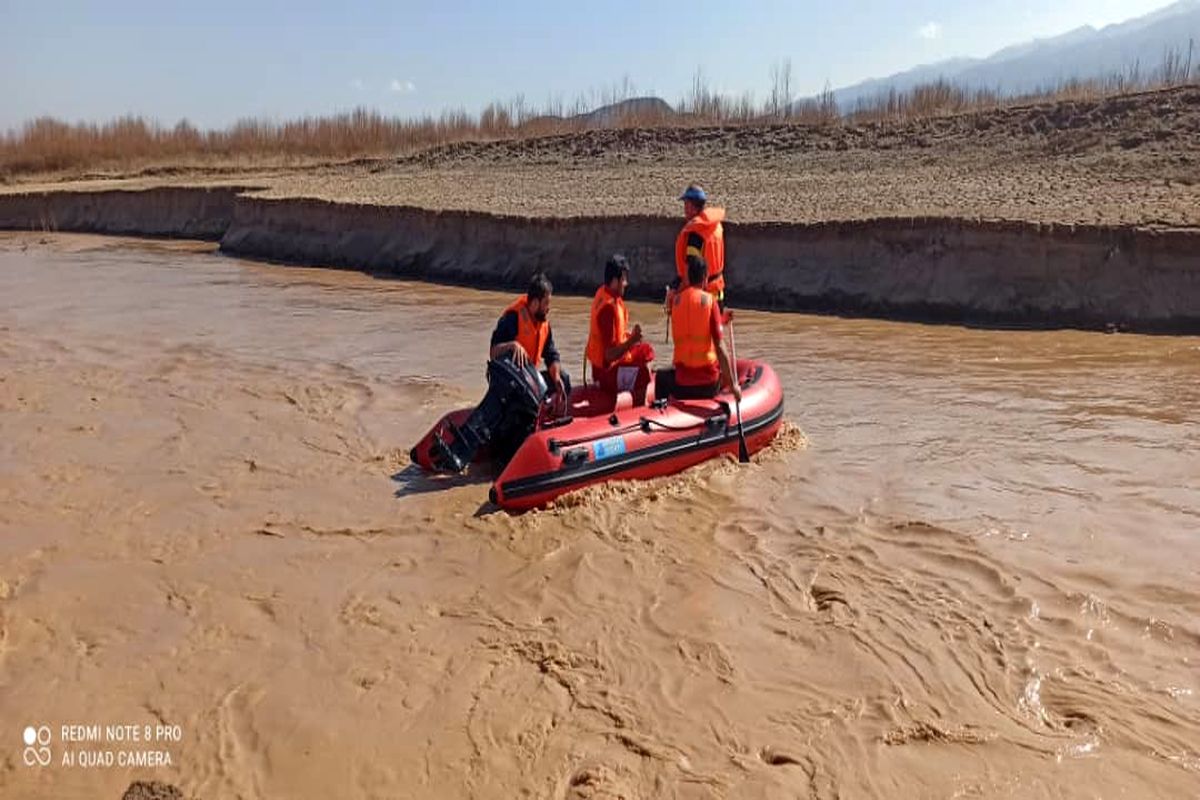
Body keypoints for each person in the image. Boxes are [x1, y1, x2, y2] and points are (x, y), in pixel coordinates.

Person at [657, 255, 741, 402]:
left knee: (661, 377)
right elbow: (720, 347)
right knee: (721, 376)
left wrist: (721, 320)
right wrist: (734, 385)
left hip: (681, 385)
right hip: (707, 385)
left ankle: (661, 414)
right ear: (706, 277)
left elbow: (692, 327)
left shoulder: (676, 303)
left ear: (688, 277)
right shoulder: (710, 302)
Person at [490, 271, 569, 408]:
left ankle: (549, 411)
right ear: (534, 303)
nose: (548, 308)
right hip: (510, 383)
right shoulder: (512, 318)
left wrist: (556, 377)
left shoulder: (544, 325)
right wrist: (512, 345)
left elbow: (551, 355)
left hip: (530, 379)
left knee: (564, 379)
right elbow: (493, 352)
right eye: (546, 304)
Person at [586, 255, 654, 405]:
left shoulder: (605, 294)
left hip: (607, 367)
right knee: (643, 372)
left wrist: (632, 339)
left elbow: (615, 337)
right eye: (623, 279)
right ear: (615, 281)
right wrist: (632, 341)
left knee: (647, 350)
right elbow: (609, 356)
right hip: (605, 374)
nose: (626, 283)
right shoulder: (608, 309)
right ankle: (639, 410)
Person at [670, 184, 726, 307]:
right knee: (717, 325)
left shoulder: (695, 235)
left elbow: (691, 272)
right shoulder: (716, 226)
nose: (684, 209)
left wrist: (674, 294)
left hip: (703, 298)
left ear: (691, 206)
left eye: (685, 204)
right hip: (718, 292)